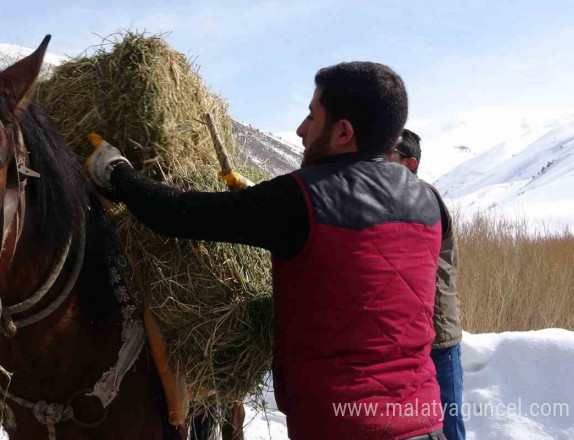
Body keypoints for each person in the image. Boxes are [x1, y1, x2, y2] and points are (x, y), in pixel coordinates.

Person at [86, 61, 445, 439]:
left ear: (343, 132)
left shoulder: (303, 198)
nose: (301, 130)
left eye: (312, 116)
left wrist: (118, 174)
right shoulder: (427, 202)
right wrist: (261, 203)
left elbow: (178, 215)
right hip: (426, 421)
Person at [389, 129, 465, 440]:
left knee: (448, 423)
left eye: (388, 155)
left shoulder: (422, 199)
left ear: (408, 163)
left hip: (438, 335)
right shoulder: (398, 199)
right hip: (409, 335)